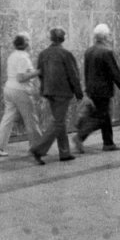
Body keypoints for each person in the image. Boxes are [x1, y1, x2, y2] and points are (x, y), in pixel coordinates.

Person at [29, 27, 83, 165]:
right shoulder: (66, 54)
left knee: (60, 121)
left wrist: (46, 87)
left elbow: (41, 73)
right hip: (62, 92)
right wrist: (79, 93)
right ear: (63, 39)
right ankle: (38, 149)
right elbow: (73, 75)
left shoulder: (43, 54)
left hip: (49, 91)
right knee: (58, 122)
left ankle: (64, 152)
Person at [74, 23, 120, 154]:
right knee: (101, 117)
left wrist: (87, 89)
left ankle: (108, 143)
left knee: (105, 116)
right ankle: (80, 136)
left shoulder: (89, 51)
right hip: (103, 91)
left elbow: (86, 71)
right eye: (109, 35)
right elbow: (115, 73)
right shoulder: (106, 52)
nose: (109, 37)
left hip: (92, 89)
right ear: (104, 37)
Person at [0, 32, 41, 157]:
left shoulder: (12, 56)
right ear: (25, 43)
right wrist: (38, 72)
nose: (30, 42)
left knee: (7, 118)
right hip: (20, 91)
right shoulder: (23, 57)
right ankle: (37, 147)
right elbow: (21, 77)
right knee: (31, 119)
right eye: (28, 40)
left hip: (9, 89)